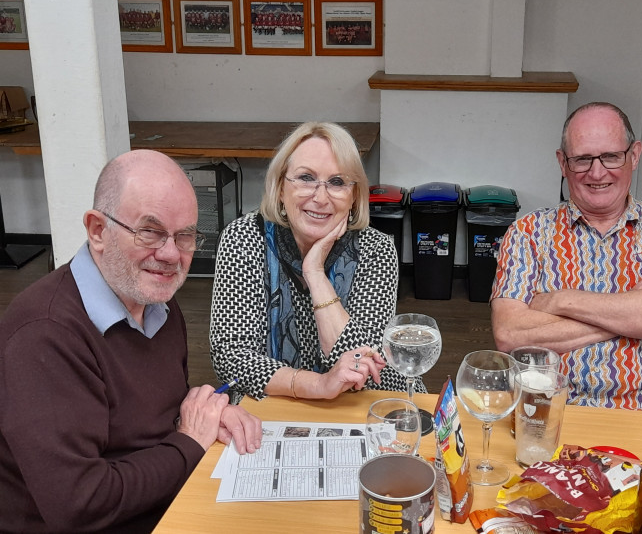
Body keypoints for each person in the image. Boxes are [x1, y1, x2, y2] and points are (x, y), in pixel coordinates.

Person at [0, 150, 262, 533]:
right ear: (97, 230)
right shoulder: (44, 333)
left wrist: (205, 412)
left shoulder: (158, 304)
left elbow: (143, 412)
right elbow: (79, 504)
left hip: (161, 504)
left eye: (185, 235)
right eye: (150, 232)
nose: (171, 254)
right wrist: (189, 442)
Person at [491, 102, 642, 414]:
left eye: (610, 156)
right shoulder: (528, 232)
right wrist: (635, 310)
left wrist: (560, 301)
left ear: (633, 156)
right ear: (562, 163)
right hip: (546, 412)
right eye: (582, 159)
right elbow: (510, 335)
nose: (597, 172)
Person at [210, 121, 424, 402]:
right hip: (270, 408)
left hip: (359, 404)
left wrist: (315, 274)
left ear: (354, 197)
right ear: (280, 188)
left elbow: (370, 368)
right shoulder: (244, 238)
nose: (320, 197)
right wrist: (317, 384)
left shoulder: (375, 249)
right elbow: (231, 357)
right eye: (306, 178)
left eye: (337, 182)